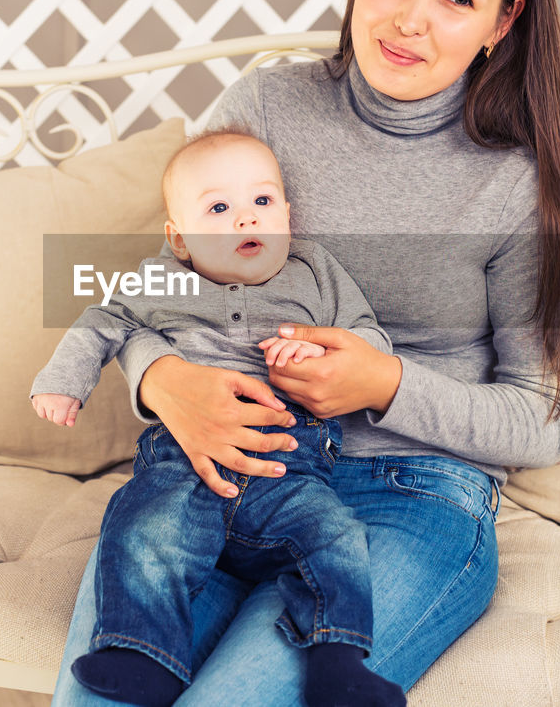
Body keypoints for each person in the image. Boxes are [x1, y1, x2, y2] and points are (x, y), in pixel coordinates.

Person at [54, 0, 560, 704]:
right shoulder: (267, 109)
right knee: (103, 692)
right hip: (219, 464)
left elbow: (551, 416)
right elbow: (157, 293)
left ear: (505, 20)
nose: (409, 20)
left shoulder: (520, 181)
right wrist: (164, 382)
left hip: (412, 496)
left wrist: (382, 382)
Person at [32, 132, 403, 707]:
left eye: (261, 202)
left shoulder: (316, 271)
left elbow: (368, 337)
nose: (243, 221)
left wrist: (326, 353)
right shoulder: (163, 280)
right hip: (184, 457)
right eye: (218, 209)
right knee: (145, 525)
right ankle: (139, 653)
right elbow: (102, 319)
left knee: (337, 536)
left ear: (287, 213)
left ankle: (338, 659)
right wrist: (63, 381)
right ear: (179, 239)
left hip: (291, 466)